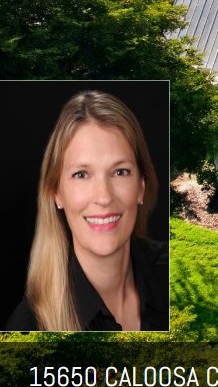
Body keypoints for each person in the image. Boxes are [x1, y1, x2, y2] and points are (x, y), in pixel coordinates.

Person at [6, 91, 168, 332]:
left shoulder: (176, 272)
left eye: (120, 172)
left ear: (141, 187)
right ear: (56, 193)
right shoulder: (26, 331)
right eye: (81, 174)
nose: (103, 197)